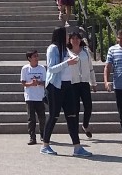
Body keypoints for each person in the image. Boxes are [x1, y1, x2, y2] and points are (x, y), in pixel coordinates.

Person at [40, 27, 92, 157]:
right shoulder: (53, 48)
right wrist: (67, 63)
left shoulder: (65, 49)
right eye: (67, 35)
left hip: (68, 85)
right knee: (54, 115)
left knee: (72, 116)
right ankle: (45, 145)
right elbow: (51, 69)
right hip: (55, 86)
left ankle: (77, 147)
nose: (68, 37)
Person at [68, 30, 96, 137]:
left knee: (88, 106)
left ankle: (85, 125)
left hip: (84, 82)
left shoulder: (85, 52)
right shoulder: (67, 52)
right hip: (73, 83)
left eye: (77, 38)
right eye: (73, 39)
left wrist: (93, 83)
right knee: (75, 108)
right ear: (70, 40)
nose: (75, 41)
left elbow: (90, 68)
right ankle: (74, 130)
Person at [21, 50, 46, 145]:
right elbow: (23, 83)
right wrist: (31, 84)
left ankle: (43, 135)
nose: (36, 58)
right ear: (29, 58)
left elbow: (46, 81)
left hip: (40, 97)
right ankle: (32, 137)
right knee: (31, 119)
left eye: (37, 56)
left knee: (42, 118)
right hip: (30, 97)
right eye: (34, 56)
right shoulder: (25, 69)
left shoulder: (42, 68)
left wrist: (39, 83)